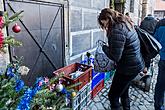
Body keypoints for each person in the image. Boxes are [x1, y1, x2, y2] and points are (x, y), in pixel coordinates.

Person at [98, 8, 145, 110]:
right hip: (135, 64)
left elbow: (115, 56)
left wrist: (104, 47)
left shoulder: (116, 30)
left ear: (108, 18)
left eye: (104, 23)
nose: (104, 27)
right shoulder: (125, 22)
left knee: (113, 96)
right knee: (124, 91)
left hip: (127, 68)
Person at [154, 18, 165, 110]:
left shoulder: (160, 23)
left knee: (161, 84)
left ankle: (158, 106)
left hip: (163, 59)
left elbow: (155, 41)